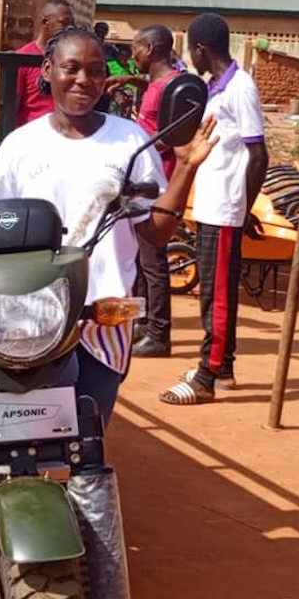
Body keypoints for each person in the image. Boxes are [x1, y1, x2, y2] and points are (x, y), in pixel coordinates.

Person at [0, 26, 219, 427]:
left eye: (95, 70)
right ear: (48, 69)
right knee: (22, 429)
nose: (84, 80)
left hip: (100, 318)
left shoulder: (130, 141)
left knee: (88, 431)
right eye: (71, 68)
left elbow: (155, 233)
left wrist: (187, 168)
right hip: (29, 313)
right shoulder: (22, 144)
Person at [159, 13, 269, 406]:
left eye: (192, 50)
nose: (192, 58)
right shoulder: (213, 88)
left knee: (218, 294)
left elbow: (259, 155)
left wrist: (243, 206)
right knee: (212, 290)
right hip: (213, 204)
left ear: (202, 49)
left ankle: (206, 376)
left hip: (225, 208)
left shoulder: (240, 87)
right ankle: (223, 368)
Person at [130, 24, 185, 359]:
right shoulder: (157, 83)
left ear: (150, 49)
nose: (131, 54)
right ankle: (142, 321)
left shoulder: (172, 87)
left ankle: (160, 334)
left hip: (158, 184)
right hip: (143, 182)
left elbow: (172, 134)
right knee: (138, 257)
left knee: (152, 261)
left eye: (135, 48)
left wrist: (138, 145)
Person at [14, 0, 74, 126]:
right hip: (32, 134)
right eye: (64, 23)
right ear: (45, 21)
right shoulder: (23, 57)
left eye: (72, 24)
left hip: (63, 133)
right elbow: (13, 105)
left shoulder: (68, 57)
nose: (69, 28)